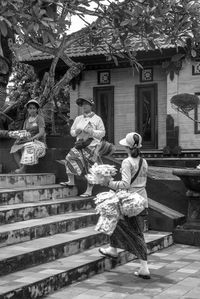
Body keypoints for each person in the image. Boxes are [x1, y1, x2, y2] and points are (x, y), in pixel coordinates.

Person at [99, 132, 150, 279]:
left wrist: (109, 183)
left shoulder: (127, 162)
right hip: (141, 200)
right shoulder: (143, 161)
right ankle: (113, 248)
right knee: (116, 221)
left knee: (136, 234)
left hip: (130, 202)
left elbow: (126, 184)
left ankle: (144, 267)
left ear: (127, 147)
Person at [60, 97, 105, 197]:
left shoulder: (97, 119)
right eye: (82, 104)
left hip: (91, 145)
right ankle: (71, 181)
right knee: (69, 158)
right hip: (79, 144)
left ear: (91, 106)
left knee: (89, 168)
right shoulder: (78, 118)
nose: (84, 106)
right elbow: (72, 132)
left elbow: (102, 133)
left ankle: (89, 190)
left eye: (86, 104)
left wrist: (92, 132)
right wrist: (76, 132)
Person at [10, 98, 46, 173]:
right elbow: (24, 131)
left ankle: (22, 169)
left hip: (38, 141)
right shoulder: (27, 120)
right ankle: (22, 168)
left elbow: (41, 132)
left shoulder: (40, 118)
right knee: (14, 149)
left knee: (28, 146)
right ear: (28, 109)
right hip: (27, 140)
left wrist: (32, 138)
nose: (32, 110)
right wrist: (21, 138)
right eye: (30, 108)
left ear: (37, 109)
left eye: (34, 108)